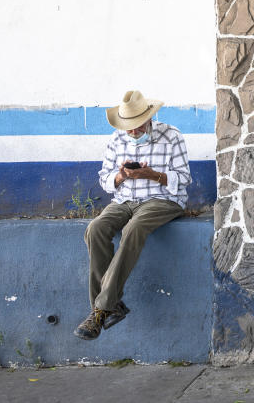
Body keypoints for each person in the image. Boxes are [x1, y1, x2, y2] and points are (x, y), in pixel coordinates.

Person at [73, 90, 192, 340]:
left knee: (134, 228)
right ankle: (109, 305)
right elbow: (106, 180)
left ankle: (100, 310)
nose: (133, 133)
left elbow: (184, 179)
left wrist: (154, 176)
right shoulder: (116, 140)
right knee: (95, 229)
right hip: (124, 199)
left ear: (148, 118)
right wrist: (121, 176)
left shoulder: (171, 136)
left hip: (162, 199)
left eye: (137, 127)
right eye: (128, 128)